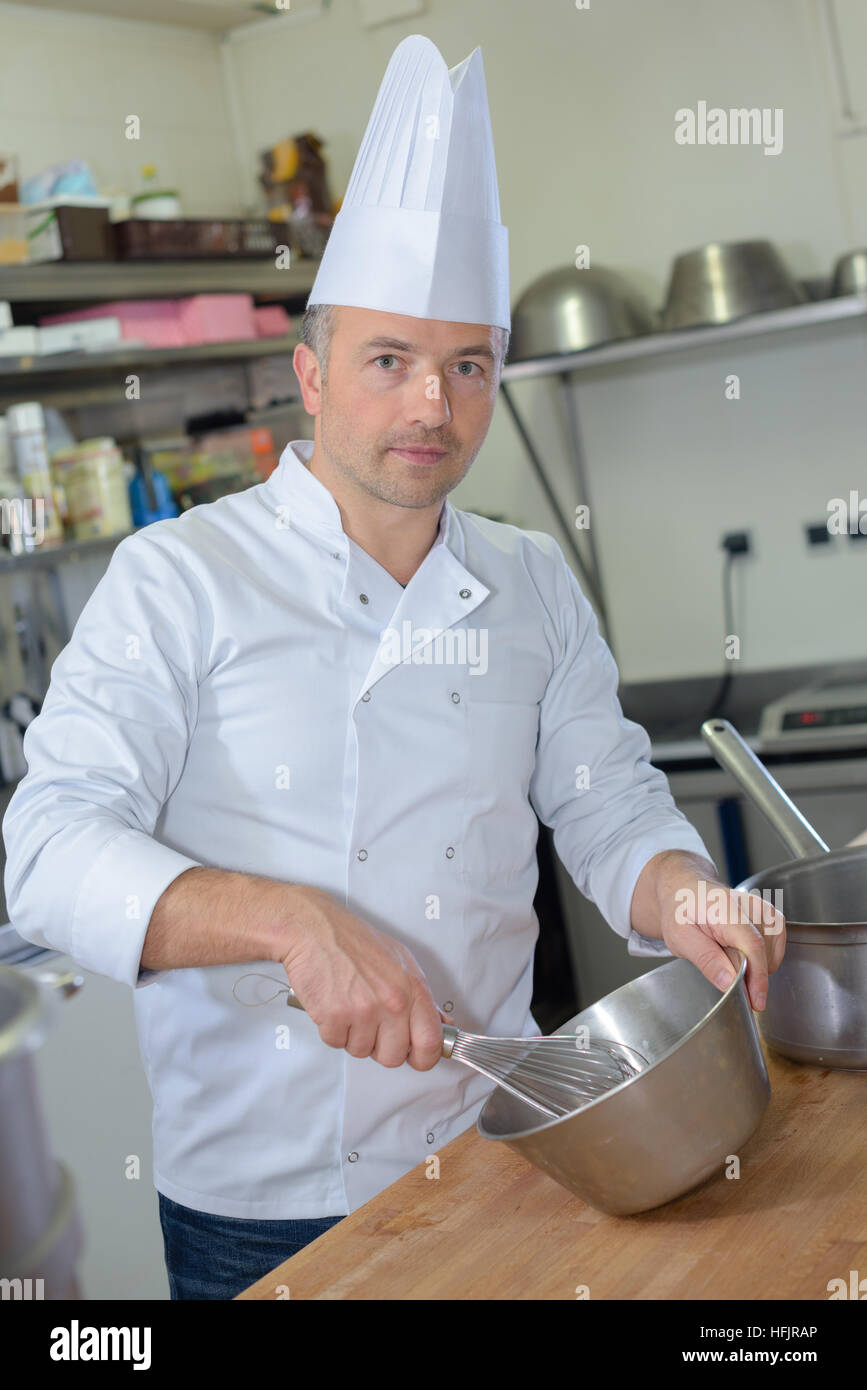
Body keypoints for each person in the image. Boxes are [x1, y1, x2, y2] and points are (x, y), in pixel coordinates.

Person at [2, 34, 784, 1301]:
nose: (433, 403)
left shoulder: (528, 577)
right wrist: (291, 922)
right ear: (309, 375)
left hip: (512, 1145)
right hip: (269, 1209)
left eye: (467, 366)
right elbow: (40, 852)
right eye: (389, 361)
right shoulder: (178, 578)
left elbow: (604, 800)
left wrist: (683, 887)